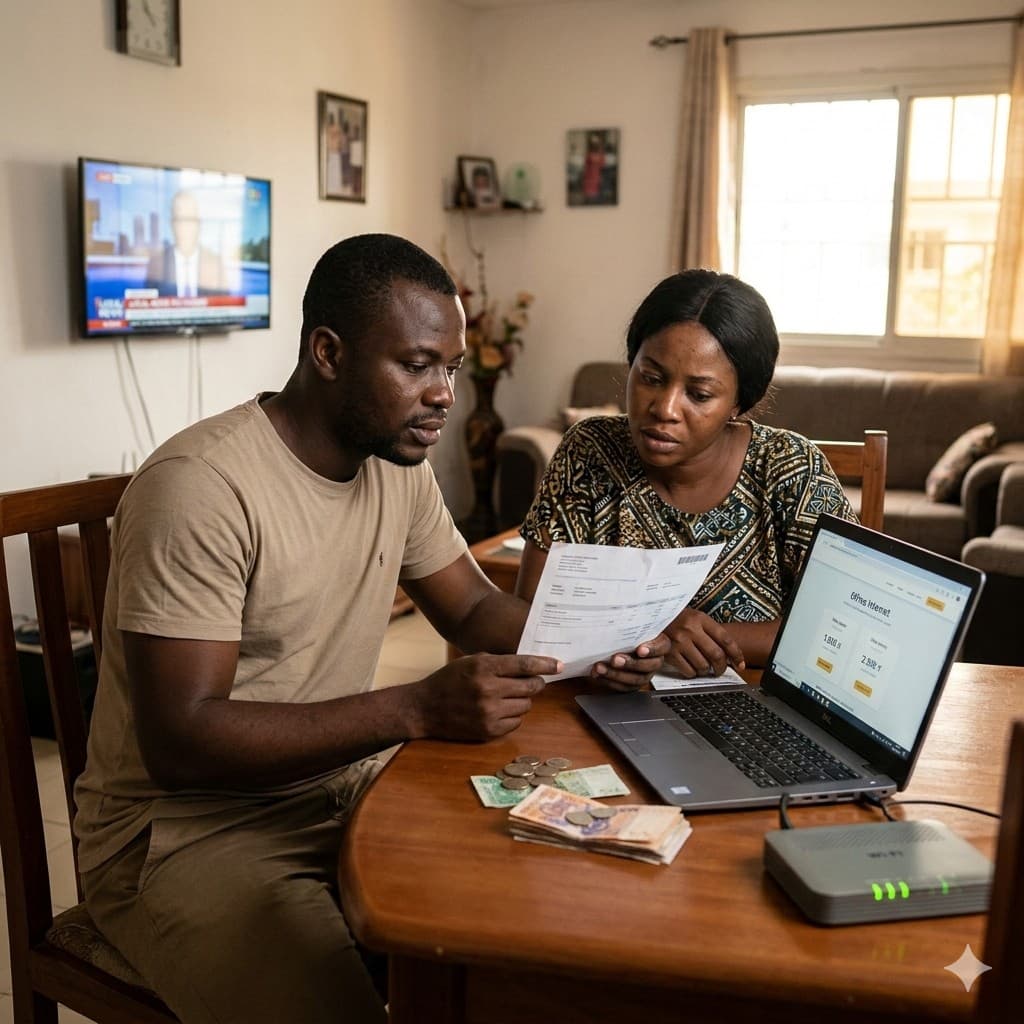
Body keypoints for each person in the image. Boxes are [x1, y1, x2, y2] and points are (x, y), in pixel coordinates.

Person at [74, 233, 662, 1024]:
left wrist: (602, 644)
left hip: (335, 784)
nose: (444, 395)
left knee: (532, 924)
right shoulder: (200, 489)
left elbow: (474, 609)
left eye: (450, 368)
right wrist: (414, 710)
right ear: (327, 352)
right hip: (181, 836)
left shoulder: (396, 469)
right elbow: (181, 742)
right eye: (417, 365)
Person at [516, 268, 856, 683]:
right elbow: (531, 605)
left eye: (699, 394)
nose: (665, 408)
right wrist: (654, 634)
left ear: (739, 402)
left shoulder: (791, 468)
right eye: (651, 378)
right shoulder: (589, 451)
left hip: (749, 718)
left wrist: (675, 643)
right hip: (599, 701)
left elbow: (839, 627)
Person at [144, 189, 229, 297]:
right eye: (180, 219)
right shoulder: (156, 264)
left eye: (190, 219)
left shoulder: (216, 264)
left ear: (199, 224)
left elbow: (226, 308)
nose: (185, 227)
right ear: (172, 224)